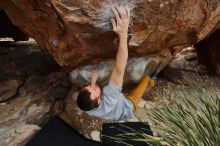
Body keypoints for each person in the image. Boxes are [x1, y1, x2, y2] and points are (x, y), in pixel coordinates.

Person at [77, 6, 155, 121]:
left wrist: (93, 83)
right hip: (129, 106)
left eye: (88, 87)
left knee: (114, 93)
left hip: (115, 113)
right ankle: (151, 82)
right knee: (145, 81)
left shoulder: (89, 109)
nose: (91, 86)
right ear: (99, 100)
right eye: (94, 89)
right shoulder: (110, 96)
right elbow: (119, 69)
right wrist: (123, 34)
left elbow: (91, 95)